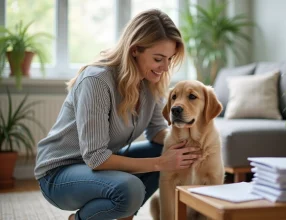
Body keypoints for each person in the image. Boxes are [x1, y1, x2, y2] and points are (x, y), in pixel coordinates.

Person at [34, 9, 201, 220]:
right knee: (131, 188)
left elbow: (158, 132)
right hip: (59, 175)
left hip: (95, 168)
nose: (166, 67)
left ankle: (124, 215)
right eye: (159, 58)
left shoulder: (151, 82)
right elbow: (95, 157)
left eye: (170, 58)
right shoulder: (97, 81)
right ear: (134, 50)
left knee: (166, 148)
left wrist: (190, 143)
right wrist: (161, 162)